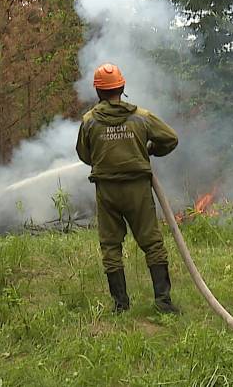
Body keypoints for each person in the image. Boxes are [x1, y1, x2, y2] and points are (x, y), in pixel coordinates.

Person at [76, 63, 180, 314]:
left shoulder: (89, 121)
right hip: (138, 190)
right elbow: (171, 138)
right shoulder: (141, 117)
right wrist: (152, 149)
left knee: (111, 247)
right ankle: (163, 303)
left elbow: (84, 154)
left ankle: (121, 305)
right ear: (122, 87)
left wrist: (105, 161)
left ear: (98, 92)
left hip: (107, 191)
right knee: (152, 243)